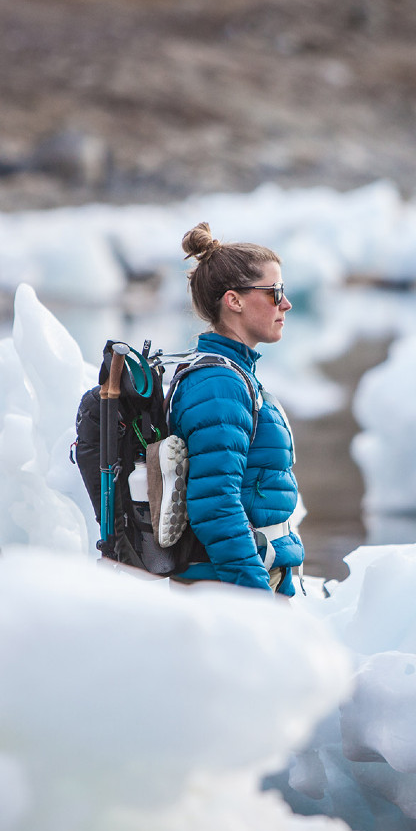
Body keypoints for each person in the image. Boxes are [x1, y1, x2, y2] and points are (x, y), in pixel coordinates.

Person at [170, 221, 304, 595]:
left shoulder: (232, 374)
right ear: (235, 300)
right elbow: (216, 505)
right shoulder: (219, 385)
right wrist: (254, 596)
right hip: (229, 590)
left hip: (241, 579)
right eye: (275, 291)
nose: (286, 304)